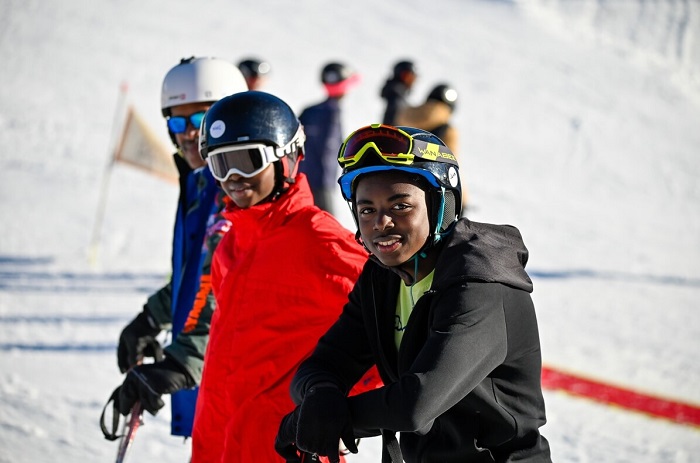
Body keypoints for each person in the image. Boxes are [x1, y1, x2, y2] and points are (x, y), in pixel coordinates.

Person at [276, 124, 551, 462]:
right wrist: (320, 396)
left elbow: (417, 403)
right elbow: (328, 361)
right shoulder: (382, 278)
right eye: (366, 210)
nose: (381, 222)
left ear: (440, 205)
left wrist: (331, 418)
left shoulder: (480, 283)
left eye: (400, 206)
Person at [191, 91, 379, 462]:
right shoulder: (231, 245)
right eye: (219, 164)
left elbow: (399, 326)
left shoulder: (318, 241)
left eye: (246, 161)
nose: (232, 178)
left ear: (288, 158)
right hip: (217, 444)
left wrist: (332, 401)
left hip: (285, 448)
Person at [115, 57, 248, 439]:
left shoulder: (240, 190)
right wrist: (151, 317)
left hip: (245, 388)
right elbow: (198, 273)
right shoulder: (201, 184)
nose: (188, 133)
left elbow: (228, 292)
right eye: (177, 122)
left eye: (200, 120)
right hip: (215, 389)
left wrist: (181, 362)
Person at [298, 62, 361, 215]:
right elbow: (328, 150)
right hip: (320, 183)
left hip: (302, 180)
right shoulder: (331, 113)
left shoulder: (310, 111)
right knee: (326, 224)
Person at [396, 83, 469, 211]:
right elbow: (450, 163)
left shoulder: (403, 116)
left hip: (398, 184)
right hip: (438, 191)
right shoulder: (447, 129)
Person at [379, 59, 417, 125]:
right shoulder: (396, 94)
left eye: (413, 76)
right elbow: (392, 121)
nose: (412, 79)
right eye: (409, 75)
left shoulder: (400, 94)